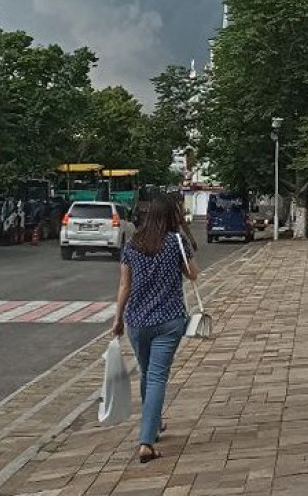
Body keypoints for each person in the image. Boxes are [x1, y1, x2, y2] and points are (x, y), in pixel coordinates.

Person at [112, 193, 199, 464]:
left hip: (137, 321)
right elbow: (193, 274)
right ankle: (146, 442)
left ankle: (154, 423)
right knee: (158, 377)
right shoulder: (176, 242)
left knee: (147, 373)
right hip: (169, 321)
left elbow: (124, 286)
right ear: (172, 216)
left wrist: (118, 319)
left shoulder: (133, 244)